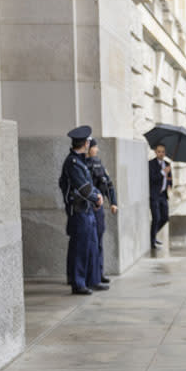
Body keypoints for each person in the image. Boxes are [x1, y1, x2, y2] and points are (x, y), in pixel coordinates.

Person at [59, 125, 108, 294]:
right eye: (88, 141)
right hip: (79, 211)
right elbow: (82, 187)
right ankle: (78, 283)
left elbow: (90, 185)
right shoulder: (73, 162)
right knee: (80, 247)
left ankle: (92, 279)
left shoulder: (80, 161)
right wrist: (96, 197)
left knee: (92, 245)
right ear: (84, 143)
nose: (89, 144)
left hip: (87, 209)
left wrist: (96, 196)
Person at [85, 137, 118, 283]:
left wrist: (113, 202)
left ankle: (99, 272)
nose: (97, 149)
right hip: (88, 208)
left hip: (98, 209)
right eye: (94, 147)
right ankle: (89, 275)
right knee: (89, 243)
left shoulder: (98, 164)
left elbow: (108, 184)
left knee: (98, 242)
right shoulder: (82, 165)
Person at [148, 144, 172, 249]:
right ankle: (152, 240)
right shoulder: (151, 164)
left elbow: (169, 177)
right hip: (154, 195)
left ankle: (152, 235)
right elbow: (152, 178)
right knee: (156, 217)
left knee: (165, 217)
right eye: (159, 151)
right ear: (155, 152)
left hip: (163, 195)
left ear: (165, 153)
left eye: (162, 151)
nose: (161, 153)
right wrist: (163, 172)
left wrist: (170, 185)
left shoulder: (167, 164)